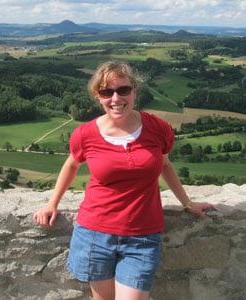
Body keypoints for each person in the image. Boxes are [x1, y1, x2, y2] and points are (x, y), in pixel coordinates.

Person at [33, 61, 217, 300]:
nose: (115, 98)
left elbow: (165, 165)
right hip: (94, 234)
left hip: (141, 236)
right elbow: (71, 165)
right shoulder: (85, 134)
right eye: (107, 92)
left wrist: (187, 203)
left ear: (135, 90)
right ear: (98, 96)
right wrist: (52, 203)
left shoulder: (158, 128)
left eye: (123, 90)